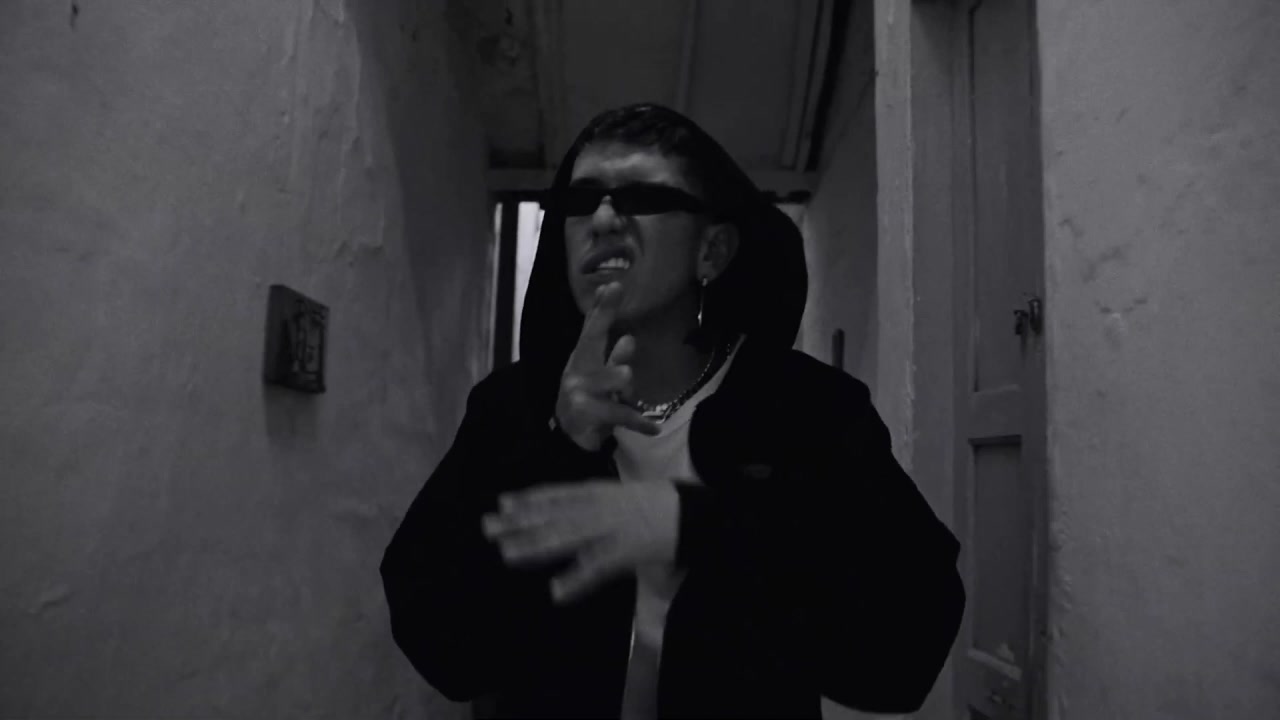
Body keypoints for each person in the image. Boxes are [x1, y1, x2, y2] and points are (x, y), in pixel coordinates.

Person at [380, 103, 965, 719]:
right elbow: (444, 647)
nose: (603, 218)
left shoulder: (811, 411)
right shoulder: (510, 408)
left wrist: (698, 528)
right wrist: (559, 449)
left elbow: (904, 654)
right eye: (581, 200)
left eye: (641, 197)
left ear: (712, 251)